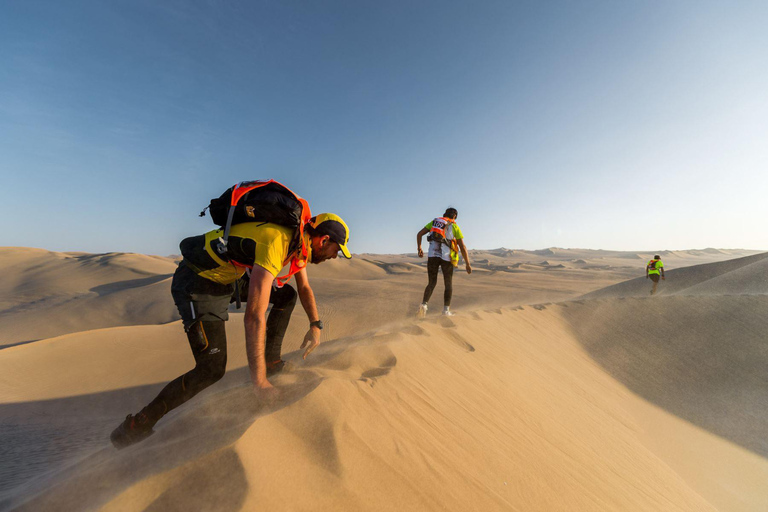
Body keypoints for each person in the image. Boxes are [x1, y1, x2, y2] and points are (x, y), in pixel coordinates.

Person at [110, 212, 351, 449]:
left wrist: (315, 325)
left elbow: (305, 287)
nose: (335, 256)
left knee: (286, 294)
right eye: (336, 250)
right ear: (324, 240)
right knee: (211, 368)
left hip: (227, 279)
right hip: (198, 282)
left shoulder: (298, 244)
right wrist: (260, 384)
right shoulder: (278, 242)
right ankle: (139, 423)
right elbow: (254, 317)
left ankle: (272, 361)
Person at [416, 208, 471, 317]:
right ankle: (446, 311)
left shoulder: (434, 222)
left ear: (444, 214)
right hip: (447, 258)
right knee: (448, 283)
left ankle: (423, 305)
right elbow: (462, 246)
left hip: (432, 256)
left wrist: (419, 248)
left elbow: (419, 234)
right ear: (454, 217)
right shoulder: (454, 226)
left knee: (431, 283)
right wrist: (468, 264)